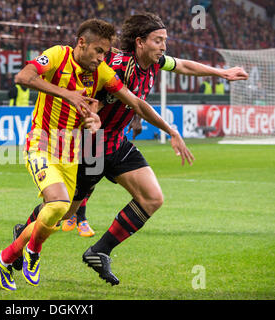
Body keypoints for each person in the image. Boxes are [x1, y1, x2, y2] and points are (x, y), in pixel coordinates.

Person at [13, 12, 248, 285]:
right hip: (91, 146)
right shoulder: (116, 63)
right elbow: (116, 98)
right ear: (139, 42)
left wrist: (221, 72)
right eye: (158, 41)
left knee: (152, 198)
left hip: (117, 142)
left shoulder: (155, 62)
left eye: (164, 41)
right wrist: (167, 129)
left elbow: (183, 65)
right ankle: (22, 237)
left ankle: (99, 251)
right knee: (61, 212)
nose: (163, 47)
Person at [0, 18, 194, 291]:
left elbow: (134, 101)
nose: (102, 58)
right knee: (60, 208)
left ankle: (12, 252)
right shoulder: (57, 55)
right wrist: (68, 95)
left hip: (78, 149)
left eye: (105, 53)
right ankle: (31, 249)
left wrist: (170, 129)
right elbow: (23, 77)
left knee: (61, 210)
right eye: (99, 52)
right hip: (47, 143)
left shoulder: (103, 73)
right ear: (82, 43)